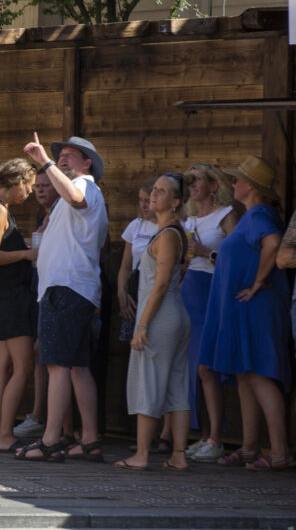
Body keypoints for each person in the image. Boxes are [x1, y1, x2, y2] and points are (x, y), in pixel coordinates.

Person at [18, 134, 107, 462]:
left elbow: (75, 197)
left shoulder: (85, 186)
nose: (65, 158)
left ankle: (51, 439)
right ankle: (90, 439)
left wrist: (45, 161)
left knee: (56, 365)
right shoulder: (72, 196)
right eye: (62, 155)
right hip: (70, 289)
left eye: (72, 155)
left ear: (87, 165)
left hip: (67, 289)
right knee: (77, 367)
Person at [205, 157, 291, 469]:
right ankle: (249, 447)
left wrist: (257, 282)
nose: (233, 184)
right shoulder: (250, 216)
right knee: (245, 374)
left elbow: (273, 243)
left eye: (237, 180)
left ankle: (280, 451)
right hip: (243, 307)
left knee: (259, 374)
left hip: (256, 306)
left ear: (251, 186)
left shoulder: (260, 214)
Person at [115, 173, 191, 472]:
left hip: (160, 317)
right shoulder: (169, 232)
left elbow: (160, 285)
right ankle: (179, 456)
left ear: (175, 202)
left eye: (162, 191)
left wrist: (142, 325)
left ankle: (142, 454)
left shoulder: (170, 234)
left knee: (148, 382)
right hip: (172, 316)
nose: (154, 195)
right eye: (154, 190)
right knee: (175, 385)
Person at [0, 159, 38, 453]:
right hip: (9, 298)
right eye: (29, 186)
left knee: (4, 367)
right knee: (22, 367)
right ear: (17, 182)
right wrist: (26, 254)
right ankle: (3, 433)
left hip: (1, 298)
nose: (30, 192)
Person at [179, 163, 236, 462]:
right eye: (189, 182)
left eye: (197, 181)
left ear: (213, 186)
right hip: (190, 289)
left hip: (213, 290)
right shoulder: (188, 219)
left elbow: (239, 256)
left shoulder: (225, 215)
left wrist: (206, 253)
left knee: (206, 368)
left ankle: (216, 437)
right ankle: (202, 435)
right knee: (193, 369)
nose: (192, 186)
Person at [14, 168, 57, 440]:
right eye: (37, 185)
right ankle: (40, 414)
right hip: (37, 287)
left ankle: (46, 416)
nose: (39, 190)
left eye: (45, 186)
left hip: (57, 289)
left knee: (46, 353)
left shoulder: (64, 215)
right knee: (38, 352)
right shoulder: (43, 215)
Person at [117, 177, 157, 342]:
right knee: (133, 343)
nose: (143, 205)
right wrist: (121, 292)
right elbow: (126, 265)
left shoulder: (172, 226)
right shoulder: (136, 225)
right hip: (134, 290)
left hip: (154, 287)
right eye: (140, 200)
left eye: (147, 201)